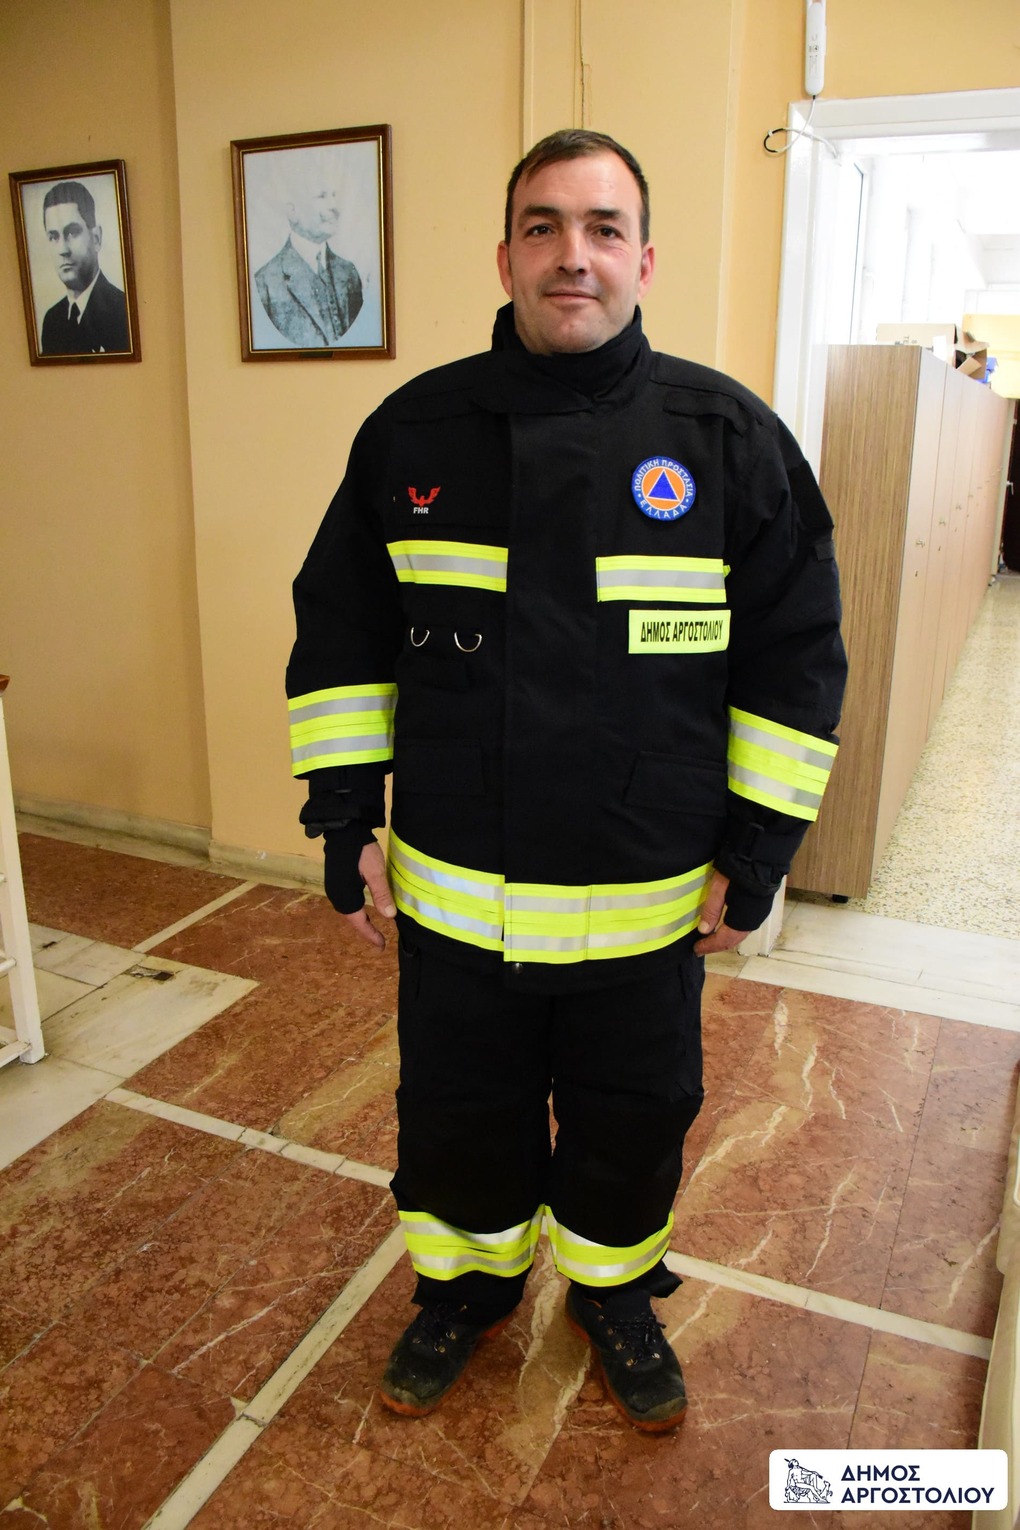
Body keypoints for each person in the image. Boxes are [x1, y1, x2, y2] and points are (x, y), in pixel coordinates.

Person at [286, 129, 847, 1432]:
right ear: (505, 257)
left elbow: (795, 660)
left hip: (644, 905)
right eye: (543, 226)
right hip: (459, 901)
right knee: (458, 1114)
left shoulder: (728, 441)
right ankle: (465, 1289)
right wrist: (342, 818)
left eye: (603, 228)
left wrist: (759, 851)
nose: (572, 255)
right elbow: (342, 640)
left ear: (645, 259)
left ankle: (615, 1291)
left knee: (633, 1114)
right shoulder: (411, 434)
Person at [255, 168, 363, 347]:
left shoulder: (348, 272)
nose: (334, 206)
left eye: (334, 195)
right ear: (292, 212)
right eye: (321, 196)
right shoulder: (265, 282)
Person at [39, 181, 130, 356]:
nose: (63, 250)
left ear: (96, 238)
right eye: (54, 237)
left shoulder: (122, 311)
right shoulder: (52, 320)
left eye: (72, 233)